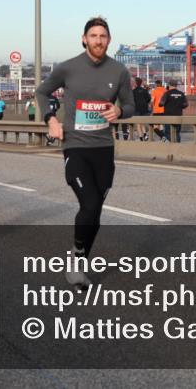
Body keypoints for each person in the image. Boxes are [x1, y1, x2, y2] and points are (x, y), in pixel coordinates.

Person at [36, 17, 134, 289]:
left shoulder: (119, 71)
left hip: (104, 148)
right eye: (93, 36)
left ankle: (78, 264)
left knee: (95, 212)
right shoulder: (68, 68)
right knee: (89, 203)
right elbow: (42, 92)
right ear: (84, 39)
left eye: (103, 36)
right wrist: (51, 119)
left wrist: (120, 111)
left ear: (109, 40)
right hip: (76, 147)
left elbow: (130, 104)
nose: (98, 40)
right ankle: (77, 262)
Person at [132, 76, 152, 141]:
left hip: (137, 109)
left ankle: (141, 138)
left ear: (135, 83)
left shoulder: (133, 92)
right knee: (142, 123)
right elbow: (149, 99)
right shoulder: (144, 91)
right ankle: (145, 135)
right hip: (144, 109)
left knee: (138, 124)